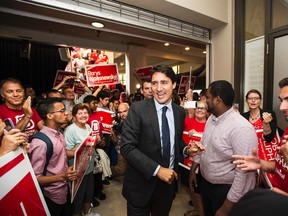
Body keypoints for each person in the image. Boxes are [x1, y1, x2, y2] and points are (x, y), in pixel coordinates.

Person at [120, 64, 196, 216]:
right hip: (140, 185)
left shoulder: (180, 112)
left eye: (164, 82)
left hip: (167, 187)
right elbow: (127, 147)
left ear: (174, 84)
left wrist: (187, 149)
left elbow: (175, 141)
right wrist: (158, 170)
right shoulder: (138, 109)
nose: (158, 88)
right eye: (155, 83)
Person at [190, 80, 258, 216]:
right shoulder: (212, 118)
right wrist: (193, 170)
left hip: (227, 192)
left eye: (207, 97)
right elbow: (203, 146)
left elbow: (243, 174)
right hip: (207, 185)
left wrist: (226, 207)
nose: (204, 100)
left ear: (217, 100)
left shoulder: (241, 128)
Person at [232, 77, 288, 196]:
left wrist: (266, 123)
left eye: (256, 98)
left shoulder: (268, 114)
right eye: (250, 98)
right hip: (252, 153)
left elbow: (269, 138)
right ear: (246, 101)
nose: (253, 101)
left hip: (267, 152)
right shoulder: (242, 116)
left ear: (260, 101)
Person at [28, 98, 77, 216]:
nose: (66, 113)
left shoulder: (59, 134)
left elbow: (60, 154)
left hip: (65, 190)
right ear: (50, 115)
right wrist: (62, 177)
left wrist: (79, 151)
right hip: (52, 196)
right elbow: (36, 179)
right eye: (62, 110)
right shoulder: (40, 143)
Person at [64, 103, 96, 216]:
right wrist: (82, 150)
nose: (83, 115)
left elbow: (89, 144)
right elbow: (66, 153)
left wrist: (91, 149)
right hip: (78, 170)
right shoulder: (70, 130)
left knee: (89, 193)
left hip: (89, 167)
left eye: (86, 112)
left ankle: (88, 213)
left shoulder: (88, 126)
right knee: (78, 197)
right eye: (80, 113)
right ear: (74, 116)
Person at [182, 101, 208, 216]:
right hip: (185, 162)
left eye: (203, 108)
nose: (200, 110)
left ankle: (201, 212)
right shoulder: (187, 121)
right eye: (198, 108)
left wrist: (198, 134)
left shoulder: (209, 125)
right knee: (189, 188)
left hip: (200, 165)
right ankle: (197, 210)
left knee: (198, 191)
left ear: (207, 111)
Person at [110, 102, 129, 177]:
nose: (122, 114)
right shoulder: (117, 122)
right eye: (120, 112)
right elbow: (115, 141)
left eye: (125, 111)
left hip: (134, 149)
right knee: (121, 170)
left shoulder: (135, 120)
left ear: (129, 110)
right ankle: (107, 172)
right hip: (121, 149)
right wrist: (112, 133)